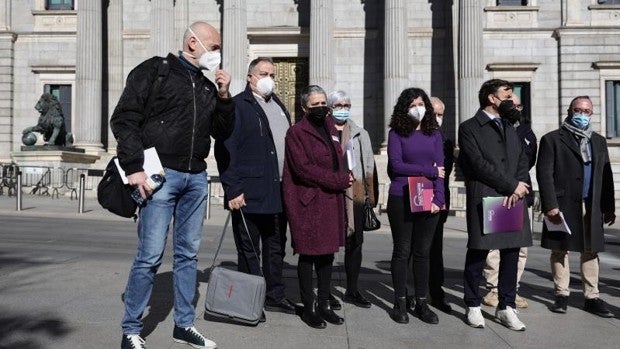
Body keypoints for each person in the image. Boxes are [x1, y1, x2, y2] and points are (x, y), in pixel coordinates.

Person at [111, 21, 234, 349]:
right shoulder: (156, 71)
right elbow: (124, 118)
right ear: (193, 43)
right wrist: (134, 168)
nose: (218, 53)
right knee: (150, 255)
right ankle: (131, 329)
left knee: (188, 255)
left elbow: (222, 132)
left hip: (195, 177)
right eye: (214, 45)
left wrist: (224, 96)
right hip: (159, 177)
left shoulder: (207, 87)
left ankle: (184, 325)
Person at [215, 57, 296, 321]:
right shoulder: (238, 105)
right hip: (248, 192)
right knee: (249, 250)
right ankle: (250, 300)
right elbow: (226, 149)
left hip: (278, 190)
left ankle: (275, 295)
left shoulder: (279, 106)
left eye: (272, 74)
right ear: (250, 77)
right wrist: (232, 189)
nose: (269, 78)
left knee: (276, 247)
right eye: (263, 73)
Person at [458, 79, 531, 331]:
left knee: (511, 251)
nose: (511, 99)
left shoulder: (510, 125)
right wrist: (510, 185)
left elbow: (523, 157)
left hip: (513, 196)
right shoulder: (469, 127)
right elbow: (478, 164)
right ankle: (473, 304)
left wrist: (520, 185)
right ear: (491, 98)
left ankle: (506, 306)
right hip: (487, 195)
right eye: (507, 95)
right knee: (479, 251)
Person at [537, 95, 616, 318]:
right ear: (570, 111)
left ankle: (592, 297)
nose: (582, 114)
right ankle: (561, 295)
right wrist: (550, 204)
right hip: (562, 204)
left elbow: (606, 175)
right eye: (578, 110)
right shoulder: (552, 139)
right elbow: (545, 174)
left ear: (592, 114)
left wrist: (608, 206)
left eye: (587, 111)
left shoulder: (599, 141)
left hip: (592, 205)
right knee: (560, 249)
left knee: (591, 251)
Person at [282, 85, 353, 329]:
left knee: (327, 256)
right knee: (308, 254)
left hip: (329, 200)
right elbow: (303, 169)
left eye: (324, 103)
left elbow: (336, 159)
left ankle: (324, 303)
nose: (321, 108)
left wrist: (345, 175)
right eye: (315, 105)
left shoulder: (330, 128)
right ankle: (309, 307)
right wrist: (339, 180)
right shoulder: (296, 133)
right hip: (308, 202)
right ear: (304, 108)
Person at [387, 87, 445, 325]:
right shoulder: (396, 133)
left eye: (421, 104)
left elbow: (442, 170)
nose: (418, 108)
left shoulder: (435, 134)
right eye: (412, 105)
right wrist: (428, 170)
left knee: (423, 252)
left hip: (428, 198)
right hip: (401, 196)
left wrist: (439, 199)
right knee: (403, 251)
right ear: (404, 108)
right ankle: (400, 300)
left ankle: (421, 301)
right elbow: (397, 166)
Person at [482, 93, 537, 309]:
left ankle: (511, 288)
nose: (515, 108)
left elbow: (528, 160)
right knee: (495, 246)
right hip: (499, 191)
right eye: (510, 104)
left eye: (518, 105)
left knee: (520, 247)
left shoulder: (526, 131)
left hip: (522, 192)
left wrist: (518, 186)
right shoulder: (492, 128)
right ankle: (494, 289)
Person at [326, 90, 377, 310]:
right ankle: (325, 291)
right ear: (330, 108)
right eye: (338, 105)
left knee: (355, 245)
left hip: (354, 194)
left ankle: (352, 289)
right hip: (330, 193)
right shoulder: (323, 131)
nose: (343, 109)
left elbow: (369, 165)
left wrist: (370, 197)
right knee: (327, 245)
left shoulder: (359, 133)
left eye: (346, 104)